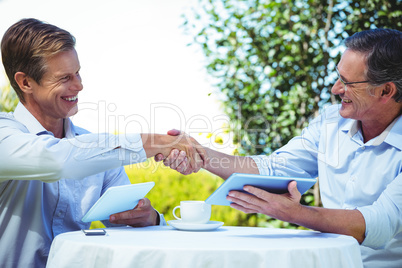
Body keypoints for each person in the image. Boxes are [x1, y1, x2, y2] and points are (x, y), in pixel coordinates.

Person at [157, 28, 402, 268]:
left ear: (386, 90)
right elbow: (274, 168)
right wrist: (202, 154)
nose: (336, 89)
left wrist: (295, 213)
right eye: (338, 77)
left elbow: (382, 222)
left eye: (348, 83)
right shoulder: (330, 122)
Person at [0, 18, 205, 268]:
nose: (79, 85)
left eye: (77, 72)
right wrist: (159, 142)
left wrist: (148, 218)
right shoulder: (5, 134)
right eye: (64, 78)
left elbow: (125, 229)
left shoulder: (98, 151)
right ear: (25, 82)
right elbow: (57, 160)